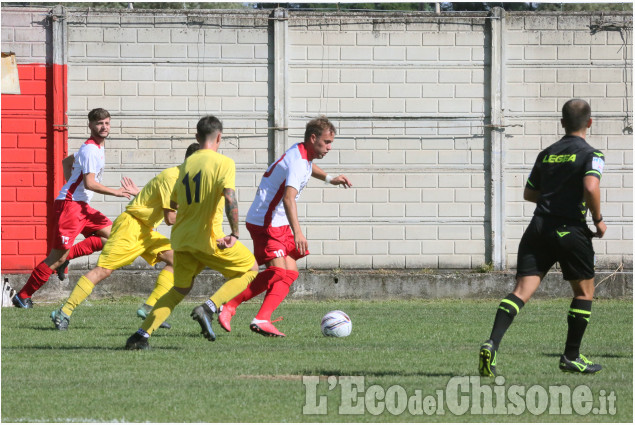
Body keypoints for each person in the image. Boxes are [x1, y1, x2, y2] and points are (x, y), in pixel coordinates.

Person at [479, 99, 607, 376]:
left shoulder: (546, 153)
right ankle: (572, 356)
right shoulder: (592, 154)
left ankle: (492, 343)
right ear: (590, 122)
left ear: (562, 123)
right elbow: (590, 185)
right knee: (584, 292)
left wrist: (555, 195)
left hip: (537, 229)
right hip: (570, 230)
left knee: (521, 292)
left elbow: (529, 193)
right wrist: (597, 219)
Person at [125, 115, 258, 350]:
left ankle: (140, 336)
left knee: (180, 289)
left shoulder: (185, 166)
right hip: (208, 238)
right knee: (251, 268)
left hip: (182, 239)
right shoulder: (224, 163)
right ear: (219, 137)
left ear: (197, 137)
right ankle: (209, 307)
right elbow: (230, 198)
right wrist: (235, 233)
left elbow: (175, 203)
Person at [218, 116, 352, 337]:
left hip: (275, 221)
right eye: (327, 142)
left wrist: (330, 178)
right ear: (313, 138)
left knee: (290, 272)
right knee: (278, 271)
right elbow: (289, 198)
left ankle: (260, 317)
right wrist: (298, 232)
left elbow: (309, 167)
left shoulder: (301, 152)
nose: (329, 147)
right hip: (266, 222)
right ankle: (229, 306)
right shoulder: (299, 162)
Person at [50, 143, 200, 330]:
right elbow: (170, 218)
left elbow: (162, 201)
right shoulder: (173, 177)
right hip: (131, 227)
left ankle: (149, 307)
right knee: (103, 271)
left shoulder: (185, 180)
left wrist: (143, 195)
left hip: (145, 230)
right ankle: (64, 312)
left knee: (178, 261)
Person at [12, 108, 133, 308]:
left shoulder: (95, 147)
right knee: (55, 259)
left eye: (107, 123)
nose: (104, 127)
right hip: (70, 207)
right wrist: (116, 192)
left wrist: (71, 184)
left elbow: (66, 161)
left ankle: (67, 259)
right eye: (99, 123)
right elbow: (90, 183)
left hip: (81, 206)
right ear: (90, 125)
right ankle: (22, 296)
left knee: (113, 237)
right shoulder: (90, 150)